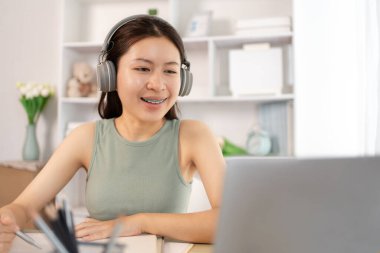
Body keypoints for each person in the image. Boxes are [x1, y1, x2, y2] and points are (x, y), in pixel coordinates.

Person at [0, 14, 225, 252]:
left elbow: (230, 220)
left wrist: (138, 223)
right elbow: (24, 207)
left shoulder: (194, 135)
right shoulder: (85, 138)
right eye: (142, 68)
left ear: (184, 80)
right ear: (110, 75)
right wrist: (9, 216)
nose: (158, 85)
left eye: (170, 71)